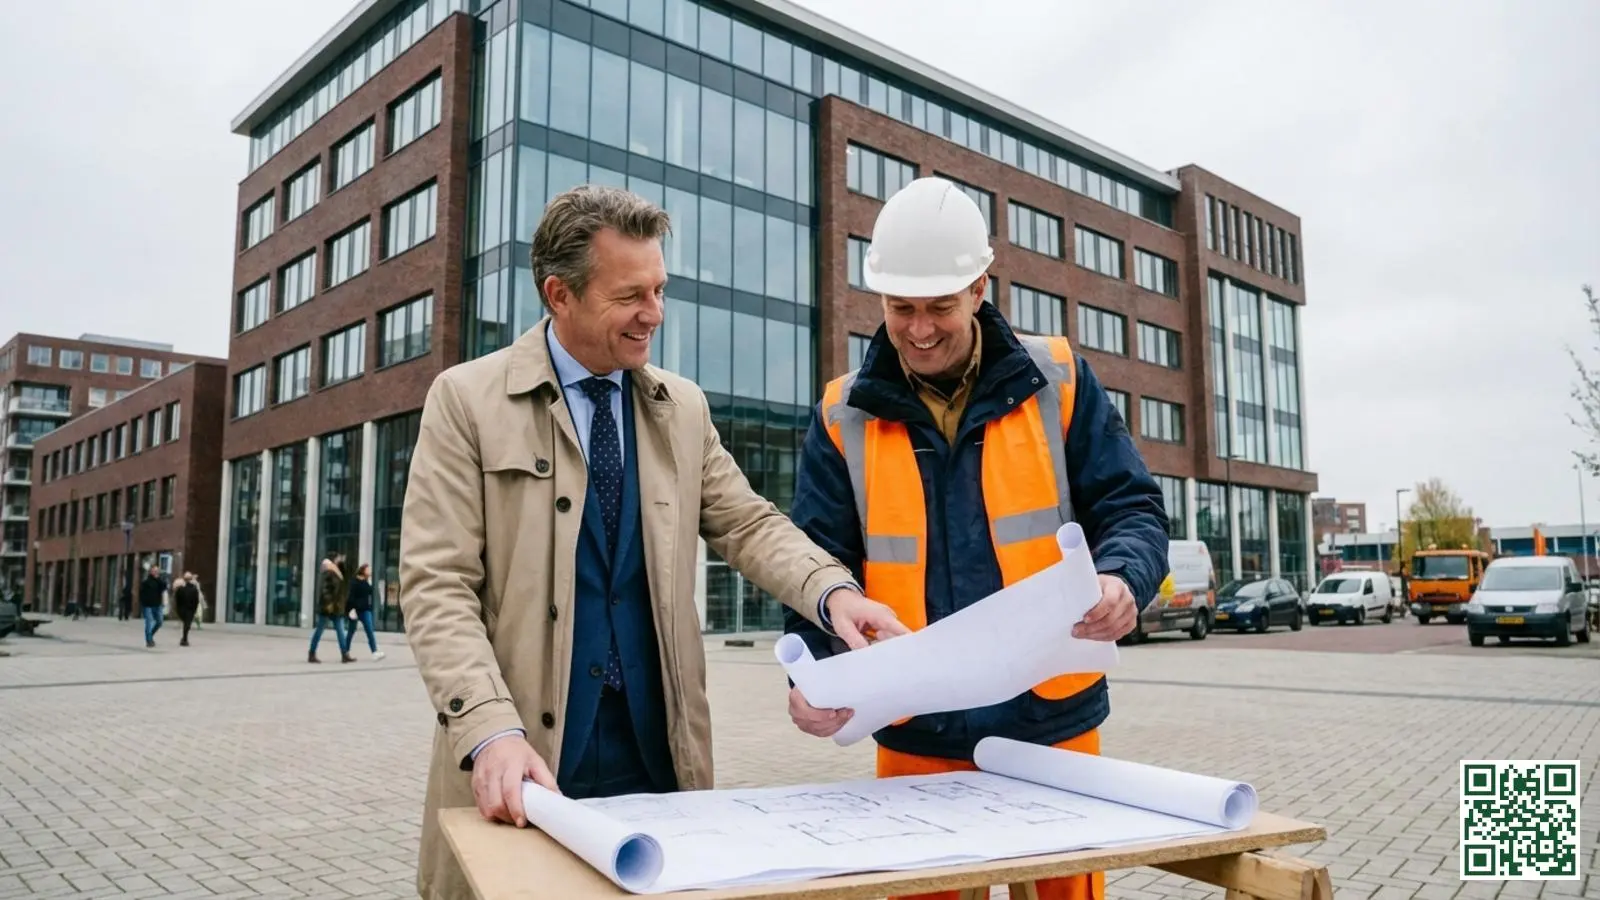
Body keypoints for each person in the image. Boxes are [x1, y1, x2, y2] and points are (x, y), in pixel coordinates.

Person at [399, 184, 907, 900]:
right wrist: (487, 731)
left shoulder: (683, 408)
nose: (654, 315)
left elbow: (748, 521)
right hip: (526, 763)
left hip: (658, 755)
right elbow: (436, 584)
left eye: (660, 290)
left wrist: (834, 593)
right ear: (560, 294)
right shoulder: (465, 402)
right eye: (630, 296)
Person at [783, 177, 1171, 900]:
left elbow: (1134, 509)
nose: (920, 329)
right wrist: (815, 677)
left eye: (940, 307)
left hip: (1052, 724)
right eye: (903, 309)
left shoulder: (1058, 382)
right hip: (916, 734)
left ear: (979, 288)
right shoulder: (843, 415)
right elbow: (814, 562)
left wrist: (1123, 579)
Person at [308, 552, 352, 664]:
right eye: (338, 558)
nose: (340, 559)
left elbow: (347, 574)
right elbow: (325, 590)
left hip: (336, 607)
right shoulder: (329, 572)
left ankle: (344, 654)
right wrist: (328, 603)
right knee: (319, 630)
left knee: (341, 631)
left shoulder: (337, 572)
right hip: (328, 607)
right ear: (334, 560)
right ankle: (312, 653)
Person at [340, 563, 384, 661]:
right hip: (355, 610)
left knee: (369, 630)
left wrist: (370, 582)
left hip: (365, 610)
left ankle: (374, 652)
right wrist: (351, 609)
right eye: (368, 570)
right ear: (363, 570)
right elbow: (351, 597)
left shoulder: (366, 581)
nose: (370, 571)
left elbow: (370, 592)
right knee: (351, 632)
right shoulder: (355, 582)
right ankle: (345, 652)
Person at [138, 565, 166, 648]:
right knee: (149, 623)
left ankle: (150, 635)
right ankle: (149, 640)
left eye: (157, 570)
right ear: (150, 571)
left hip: (157, 605)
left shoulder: (159, 581)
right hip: (148, 606)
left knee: (159, 622)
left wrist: (159, 579)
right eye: (154, 570)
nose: (156, 572)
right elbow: (141, 593)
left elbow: (164, 587)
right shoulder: (146, 582)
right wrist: (143, 603)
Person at [172, 573, 201, 646]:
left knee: (186, 624)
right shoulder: (193, 589)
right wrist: (194, 609)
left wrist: (177, 609)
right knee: (187, 624)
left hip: (183, 609)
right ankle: (184, 639)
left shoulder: (181, 589)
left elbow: (177, 600)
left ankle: (184, 639)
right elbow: (196, 600)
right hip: (189, 609)